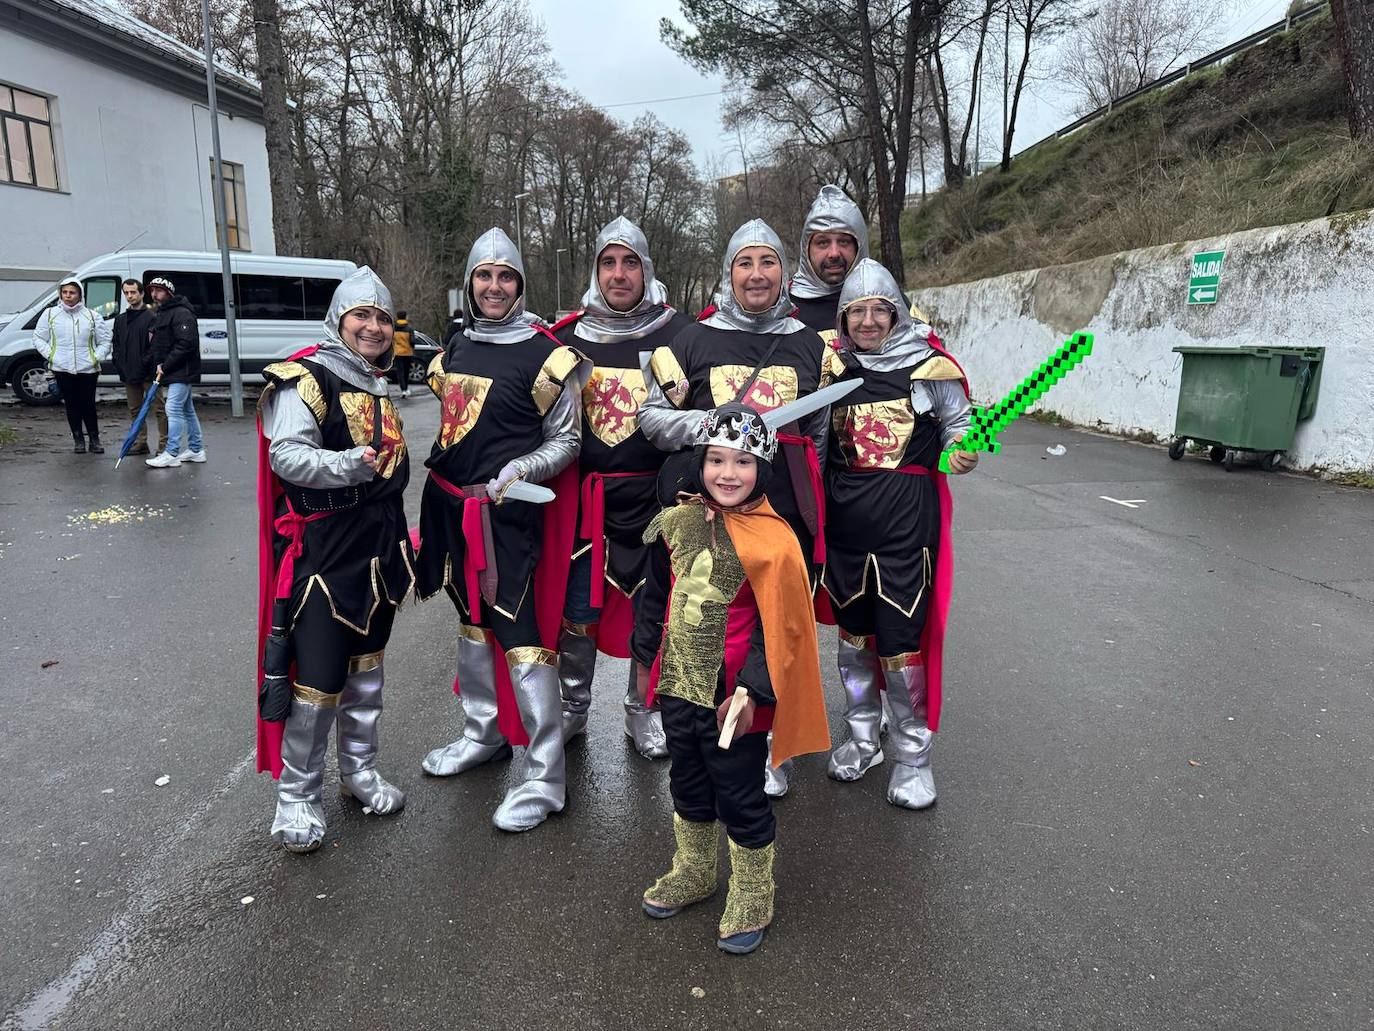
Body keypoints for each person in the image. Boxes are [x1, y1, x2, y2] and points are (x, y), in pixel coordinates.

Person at [638, 218, 828, 799]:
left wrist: (803, 496)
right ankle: (705, 723)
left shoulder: (810, 343)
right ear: (729, 272)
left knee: (780, 622)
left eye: (767, 262)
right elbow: (650, 417)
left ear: (783, 271)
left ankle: (775, 741)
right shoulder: (691, 339)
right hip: (712, 502)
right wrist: (712, 426)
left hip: (783, 503)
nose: (756, 274)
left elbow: (819, 430)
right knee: (713, 615)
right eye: (745, 263)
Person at [632, 403, 829, 955]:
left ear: (761, 471)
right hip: (678, 681)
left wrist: (752, 692)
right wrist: (646, 655)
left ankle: (752, 890)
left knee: (739, 790)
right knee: (687, 780)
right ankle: (694, 869)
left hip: (734, 694)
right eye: (716, 459)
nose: (726, 473)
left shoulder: (774, 540)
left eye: (742, 462)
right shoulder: (676, 520)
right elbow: (656, 596)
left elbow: (783, 626)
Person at [416, 227, 590, 833]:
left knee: (522, 634)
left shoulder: (550, 356)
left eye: (506, 276)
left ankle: (545, 776)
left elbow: (567, 439)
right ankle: (482, 732)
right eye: (484, 276)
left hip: (509, 517)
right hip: (451, 511)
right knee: (469, 624)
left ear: (521, 284)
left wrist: (522, 468)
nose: (494, 286)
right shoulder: (455, 348)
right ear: (470, 283)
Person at [255, 266, 414, 853]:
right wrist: (348, 464)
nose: (373, 327)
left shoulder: (377, 381)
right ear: (339, 320)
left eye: (381, 317)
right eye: (361, 316)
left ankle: (360, 771)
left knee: (365, 675)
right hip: (324, 555)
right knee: (318, 682)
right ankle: (297, 795)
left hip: (377, 551)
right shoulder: (307, 377)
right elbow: (288, 457)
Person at [820, 258, 976, 810]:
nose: (867, 321)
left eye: (877, 310)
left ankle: (913, 755)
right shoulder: (830, 369)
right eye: (855, 311)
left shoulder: (929, 369)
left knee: (903, 645)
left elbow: (961, 427)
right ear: (843, 317)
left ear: (895, 312)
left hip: (907, 528)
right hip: (844, 527)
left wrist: (961, 451)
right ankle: (863, 736)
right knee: (853, 641)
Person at [550, 216, 693, 760]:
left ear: (646, 269)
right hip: (587, 503)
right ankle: (572, 706)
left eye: (629, 262)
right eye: (608, 262)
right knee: (577, 610)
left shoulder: (680, 333)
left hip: (657, 497)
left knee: (654, 611)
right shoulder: (564, 339)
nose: (618, 273)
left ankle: (643, 708)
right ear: (596, 270)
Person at [32, 278, 112, 453]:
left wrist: (94, 358)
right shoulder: (50, 314)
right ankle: (78, 439)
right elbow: (38, 338)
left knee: (88, 404)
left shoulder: (92, 316)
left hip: (88, 369)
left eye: (72, 292)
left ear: (80, 295)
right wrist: (52, 355)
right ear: (60, 294)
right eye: (64, 292)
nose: (68, 296)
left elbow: (105, 341)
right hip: (62, 368)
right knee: (71, 404)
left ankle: (94, 439)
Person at [789, 185, 870, 343]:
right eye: (823, 242)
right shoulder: (783, 308)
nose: (834, 253)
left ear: (859, 247)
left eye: (844, 241)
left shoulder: (885, 302)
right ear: (806, 249)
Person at [145, 277, 205, 468]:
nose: (154, 294)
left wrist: (166, 365)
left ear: (169, 292)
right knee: (187, 409)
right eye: (152, 290)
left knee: (173, 409)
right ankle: (196, 449)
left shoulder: (181, 313)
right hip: (175, 370)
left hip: (182, 370)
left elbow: (186, 343)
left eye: (159, 290)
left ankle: (171, 452)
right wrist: (158, 362)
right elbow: (161, 342)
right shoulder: (163, 313)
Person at [111, 278, 165, 456]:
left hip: (149, 373)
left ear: (141, 293)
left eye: (133, 292)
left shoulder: (152, 317)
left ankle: (164, 445)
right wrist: (119, 364)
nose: (129, 296)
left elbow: (156, 345)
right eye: (126, 292)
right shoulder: (120, 320)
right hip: (128, 372)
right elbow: (117, 345)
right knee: (135, 409)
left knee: (159, 408)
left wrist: (145, 363)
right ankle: (140, 442)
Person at [392, 309, 415, 397]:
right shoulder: (409, 328)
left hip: (397, 352)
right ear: (406, 316)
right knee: (406, 371)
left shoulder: (394, 328)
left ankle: (403, 390)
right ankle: (406, 388)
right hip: (407, 352)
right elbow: (412, 341)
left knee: (400, 372)